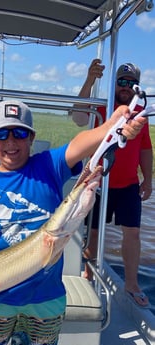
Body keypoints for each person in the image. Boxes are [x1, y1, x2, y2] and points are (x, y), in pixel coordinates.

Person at [0, 99, 146, 345]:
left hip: (45, 301)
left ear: (31, 138)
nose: (11, 142)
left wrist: (111, 126)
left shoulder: (48, 166)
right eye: (2, 134)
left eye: (20, 133)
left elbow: (79, 145)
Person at [71, 59, 153, 308]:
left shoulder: (141, 114)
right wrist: (89, 79)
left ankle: (132, 284)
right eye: (122, 82)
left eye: (132, 83)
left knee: (133, 234)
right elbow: (78, 118)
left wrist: (147, 179)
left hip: (128, 184)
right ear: (114, 83)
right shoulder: (101, 107)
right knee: (93, 233)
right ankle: (87, 273)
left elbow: (145, 149)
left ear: (137, 87)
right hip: (99, 181)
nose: (126, 87)